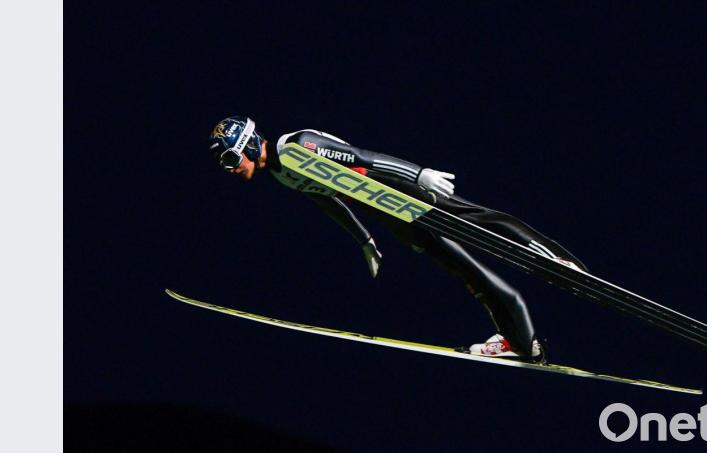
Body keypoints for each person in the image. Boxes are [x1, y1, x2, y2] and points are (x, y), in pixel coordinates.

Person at [208, 116, 588, 362]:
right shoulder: (280, 173)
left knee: (477, 219)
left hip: (397, 187)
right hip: (387, 212)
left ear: (251, 142)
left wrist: (418, 174)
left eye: (231, 159)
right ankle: (521, 342)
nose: (231, 169)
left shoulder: (298, 146)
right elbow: (329, 202)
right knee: (463, 269)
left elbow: (363, 158)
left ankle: (557, 259)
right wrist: (363, 240)